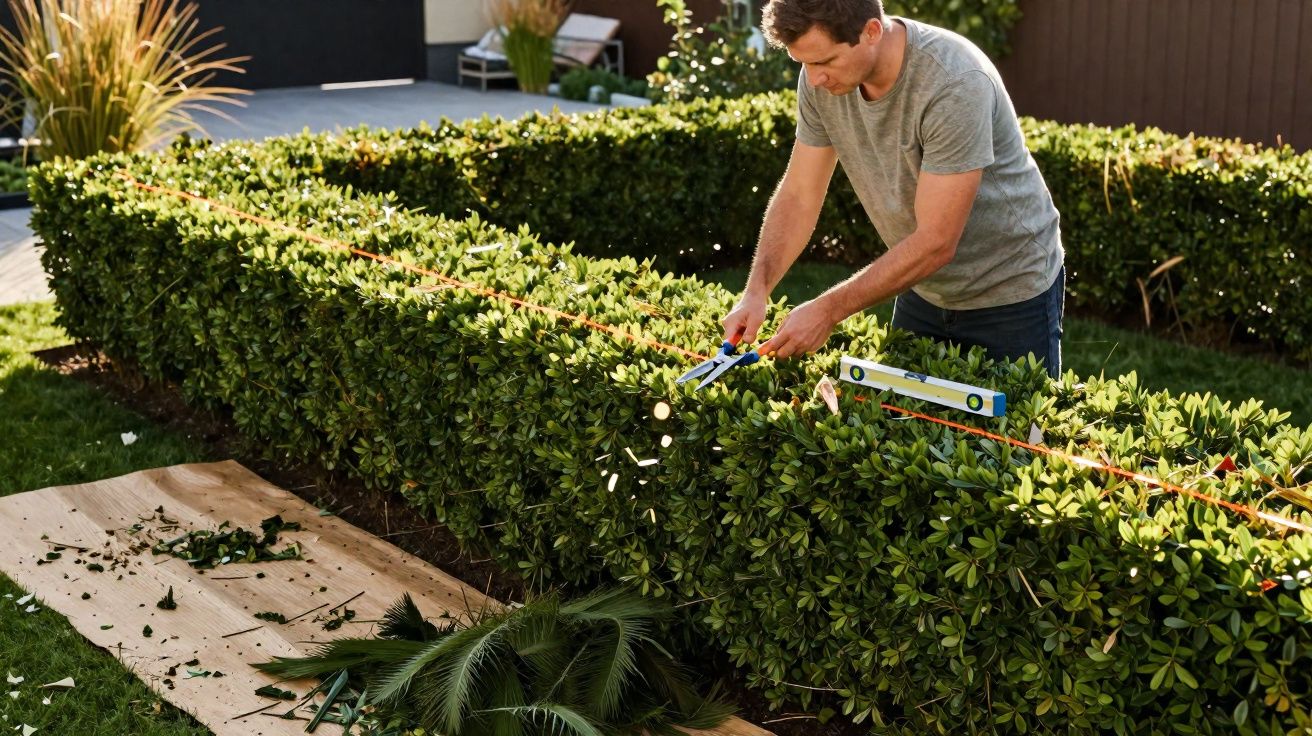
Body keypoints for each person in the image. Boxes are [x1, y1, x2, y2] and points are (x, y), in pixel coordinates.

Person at [724, 0, 1066, 378]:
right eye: (804, 63)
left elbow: (937, 241)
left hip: (1010, 294)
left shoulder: (954, 81)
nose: (814, 78)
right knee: (902, 427)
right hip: (922, 287)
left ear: (871, 31)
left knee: (1009, 433)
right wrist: (757, 290)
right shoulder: (820, 81)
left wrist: (828, 310)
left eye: (824, 62)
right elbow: (799, 194)